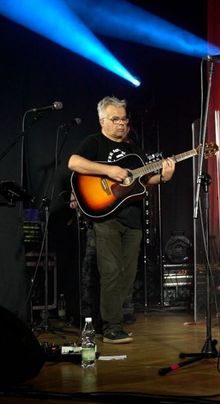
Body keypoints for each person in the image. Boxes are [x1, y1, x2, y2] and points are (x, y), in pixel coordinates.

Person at [68, 96, 175, 344]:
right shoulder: (94, 142)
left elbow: (146, 180)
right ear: (102, 120)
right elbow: (74, 162)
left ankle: (109, 319)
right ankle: (112, 327)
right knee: (111, 272)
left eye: (124, 119)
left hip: (133, 220)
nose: (121, 123)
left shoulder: (134, 151)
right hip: (106, 217)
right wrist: (109, 170)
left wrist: (165, 176)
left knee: (127, 275)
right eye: (115, 119)